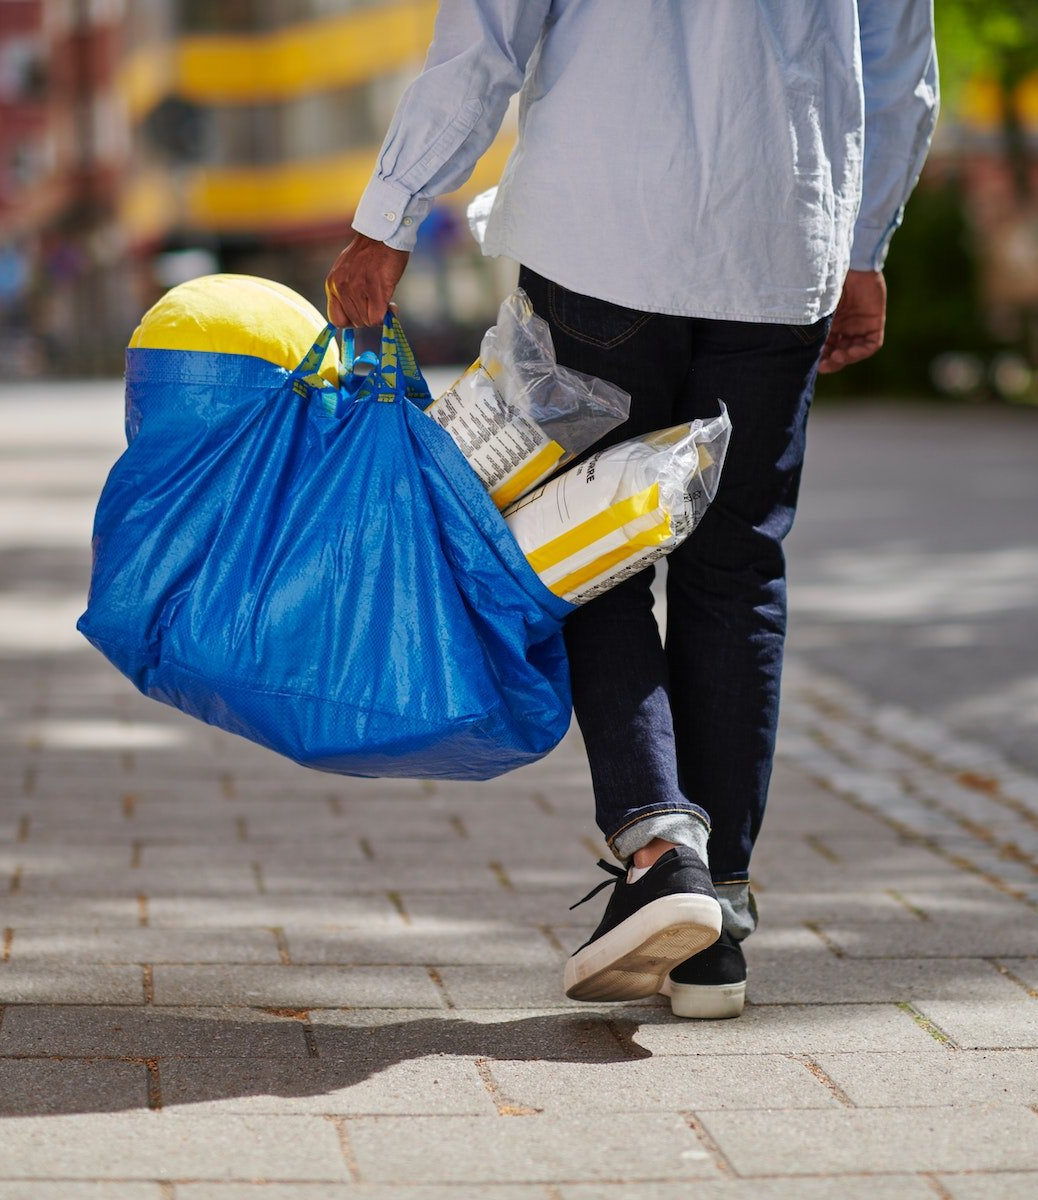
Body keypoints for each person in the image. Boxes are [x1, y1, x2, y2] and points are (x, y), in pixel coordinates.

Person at [326, 1, 938, 1019]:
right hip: (778, 238)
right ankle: (717, 921)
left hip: (603, 235)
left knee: (588, 550)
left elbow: (485, 36)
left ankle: (662, 851)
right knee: (735, 569)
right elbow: (896, 62)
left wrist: (389, 218)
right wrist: (866, 242)